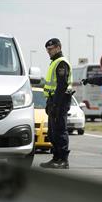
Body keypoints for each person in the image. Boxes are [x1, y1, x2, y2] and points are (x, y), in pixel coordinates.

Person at [40, 38, 73, 169]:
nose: (49, 51)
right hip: (53, 100)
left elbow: (62, 85)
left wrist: (56, 104)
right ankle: (56, 158)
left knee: (60, 131)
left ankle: (63, 160)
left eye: (51, 49)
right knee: (52, 132)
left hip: (60, 100)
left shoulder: (61, 63)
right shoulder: (54, 62)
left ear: (58, 48)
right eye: (47, 49)